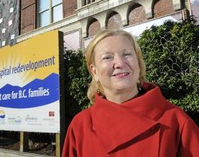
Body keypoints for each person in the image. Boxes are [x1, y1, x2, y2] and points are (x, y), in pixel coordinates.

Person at [62, 29, 199, 157]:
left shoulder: (176, 120)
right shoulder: (80, 126)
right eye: (107, 57)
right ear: (94, 71)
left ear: (138, 64)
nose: (120, 63)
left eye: (126, 54)